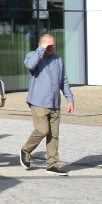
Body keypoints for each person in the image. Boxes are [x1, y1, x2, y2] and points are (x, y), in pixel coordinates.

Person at [20, 33, 75, 174]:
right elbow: (30, 65)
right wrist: (41, 50)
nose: (51, 48)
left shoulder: (58, 60)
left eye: (53, 46)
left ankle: (52, 164)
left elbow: (64, 80)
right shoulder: (33, 55)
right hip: (39, 101)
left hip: (55, 103)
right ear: (41, 45)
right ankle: (26, 150)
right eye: (48, 46)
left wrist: (69, 98)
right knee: (42, 130)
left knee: (54, 135)